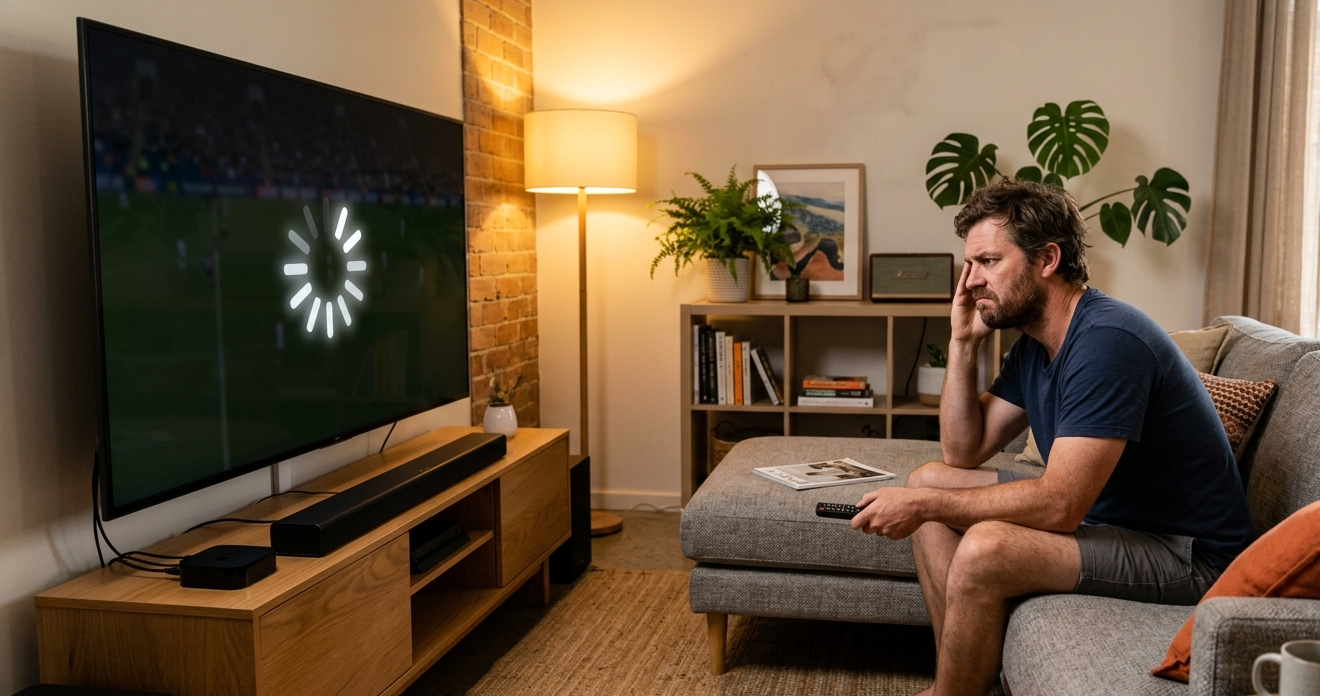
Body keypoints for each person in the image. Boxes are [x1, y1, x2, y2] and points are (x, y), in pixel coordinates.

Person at [847, 179, 1254, 696]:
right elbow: (961, 452)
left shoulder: (1108, 341)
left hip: (1187, 556)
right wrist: (961, 344)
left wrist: (924, 504)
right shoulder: (1036, 346)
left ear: (1047, 260)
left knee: (980, 543)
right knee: (930, 479)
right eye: (968, 264)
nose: (970, 281)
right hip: (1115, 524)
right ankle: (965, 682)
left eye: (988, 262)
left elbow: (1060, 504)